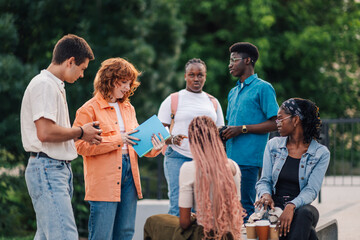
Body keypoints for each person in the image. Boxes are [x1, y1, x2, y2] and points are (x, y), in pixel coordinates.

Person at [73, 58, 165, 240]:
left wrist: (154, 148)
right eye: (123, 82)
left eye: (129, 83)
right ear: (109, 80)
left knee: (125, 233)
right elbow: (80, 146)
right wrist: (117, 140)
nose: (127, 87)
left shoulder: (128, 108)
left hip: (130, 174)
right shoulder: (88, 109)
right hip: (104, 179)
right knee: (102, 234)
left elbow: (137, 142)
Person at [20, 34, 101, 240]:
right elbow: (45, 133)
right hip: (48, 168)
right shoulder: (45, 85)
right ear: (70, 61)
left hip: (54, 168)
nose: (83, 75)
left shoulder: (54, 85)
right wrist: (81, 132)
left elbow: (53, 133)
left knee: (47, 236)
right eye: (82, 69)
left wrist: (83, 134)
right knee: (64, 236)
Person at [144, 116, 245, 240]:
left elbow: (184, 223)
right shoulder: (233, 166)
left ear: (193, 140)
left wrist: (194, 217)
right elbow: (235, 206)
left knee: (152, 222)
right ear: (215, 138)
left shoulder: (189, 168)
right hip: (230, 234)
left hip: (204, 235)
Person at [255, 98, 330, 240]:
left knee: (305, 213)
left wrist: (291, 206)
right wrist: (265, 194)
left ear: (295, 120)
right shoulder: (273, 146)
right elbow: (264, 180)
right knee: (310, 234)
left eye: (280, 119)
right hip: (274, 210)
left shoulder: (321, 153)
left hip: (301, 210)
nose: (277, 123)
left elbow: (311, 190)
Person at [158, 58, 225, 216]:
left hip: (205, 159)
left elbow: (220, 131)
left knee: (201, 206)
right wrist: (172, 139)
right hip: (177, 157)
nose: (196, 79)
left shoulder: (213, 102)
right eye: (192, 75)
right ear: (185, 76)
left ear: (205, 76)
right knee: (178, 205)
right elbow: (159, 131)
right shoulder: (173, 99)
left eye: (200, 75)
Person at [221, 42, 279, 221]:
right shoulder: (233, 92)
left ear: (247, 60)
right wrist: (224, 131)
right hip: (229, 159)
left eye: (234, 60)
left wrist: (242, 129)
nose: (230, 64)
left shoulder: (263, 88)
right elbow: (233, 124)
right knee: (229, 207)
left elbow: (276, 123)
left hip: (248, 160)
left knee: (245, 206)